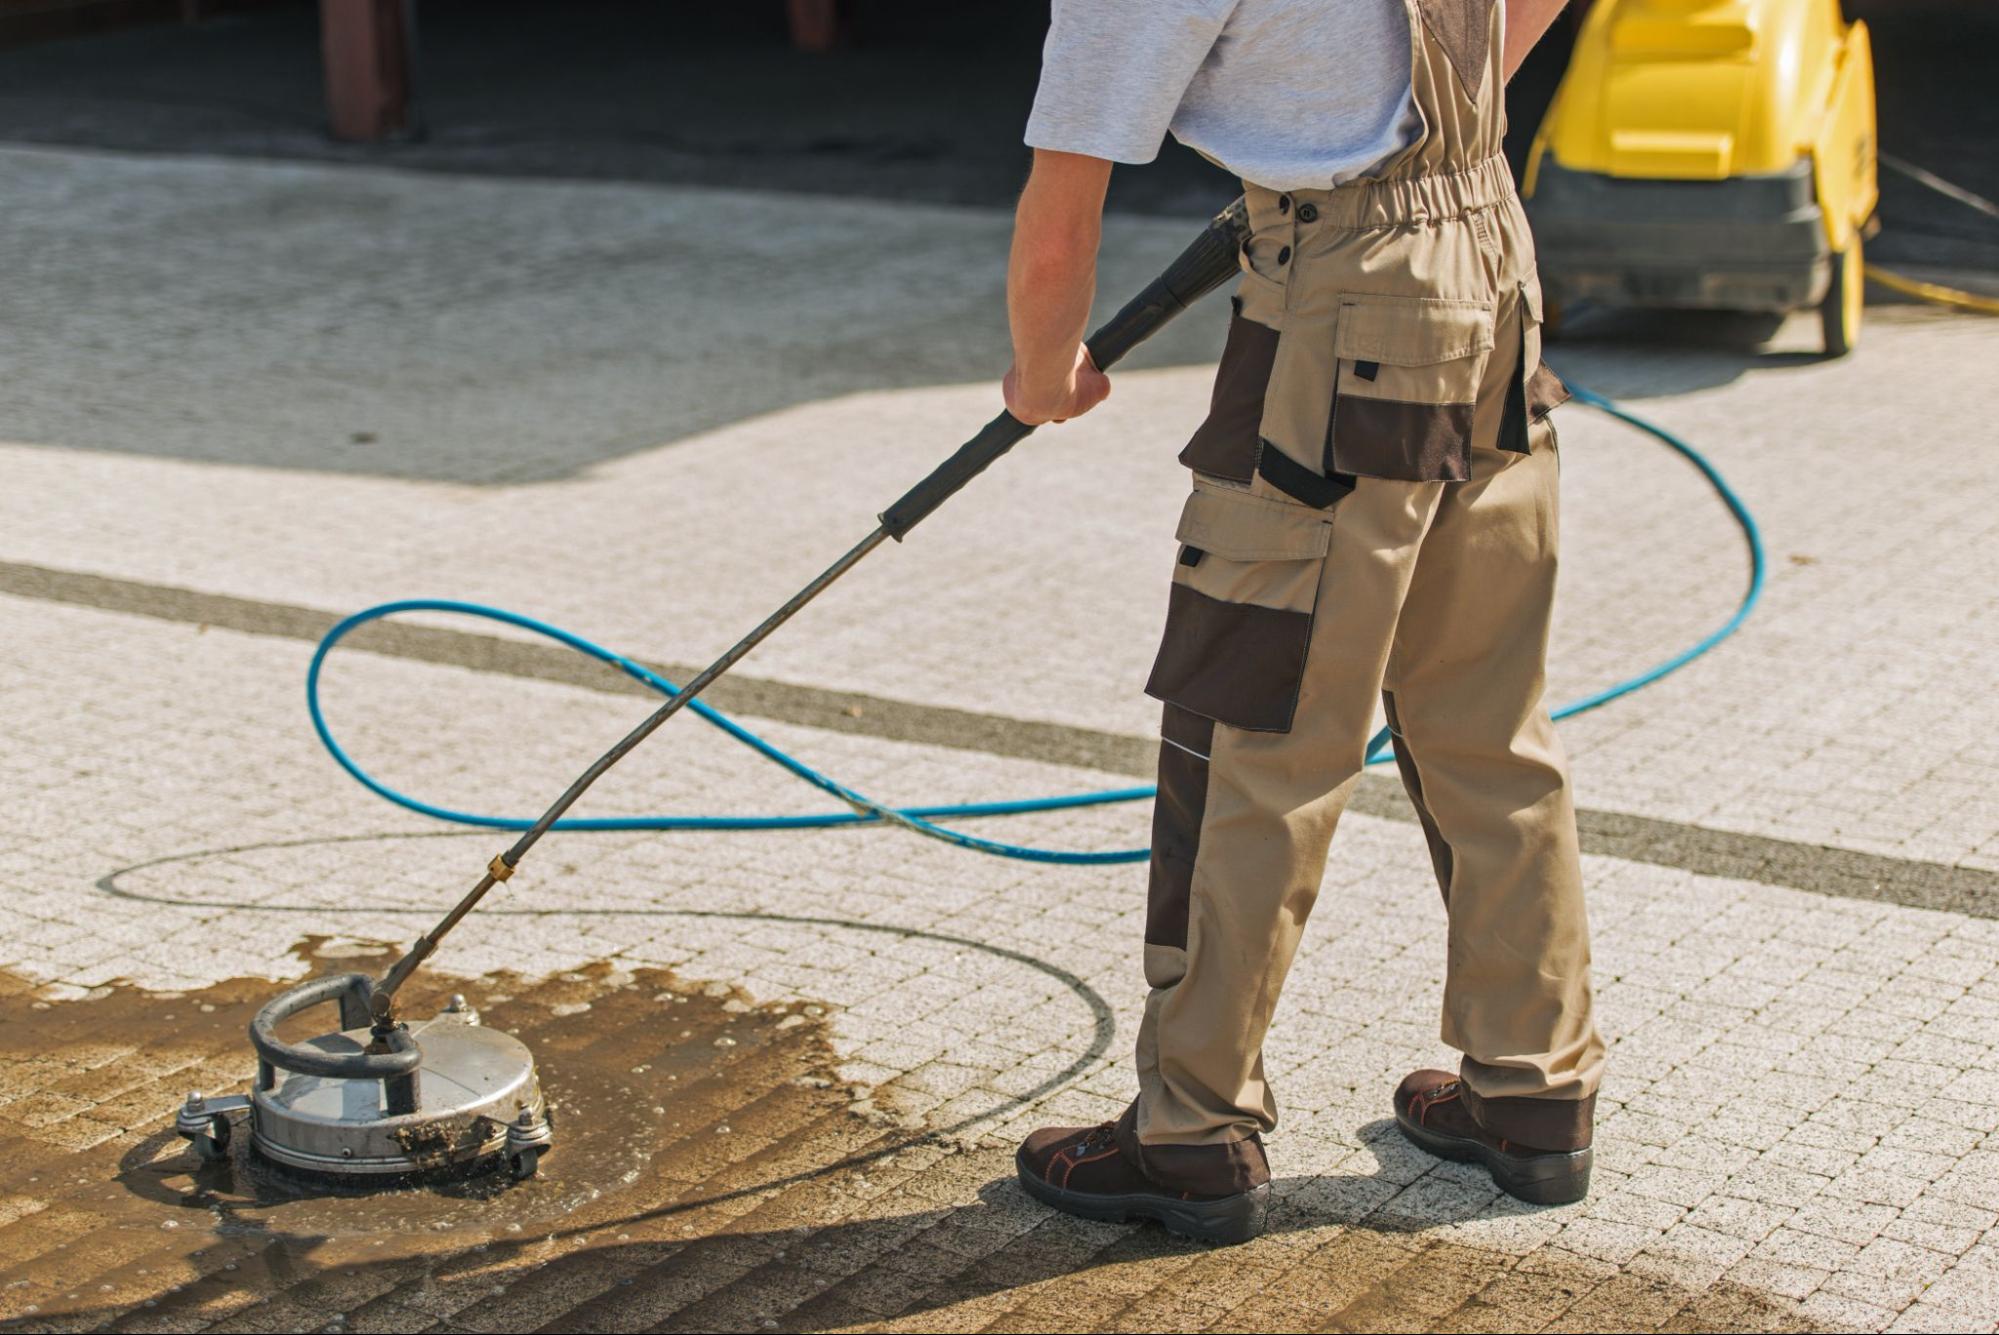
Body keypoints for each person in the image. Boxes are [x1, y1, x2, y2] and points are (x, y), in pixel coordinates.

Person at [1006, 0, 1606, 1245]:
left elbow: (1063, 208)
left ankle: (1189, 1131)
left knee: (1258, 728)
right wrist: (1415, 133)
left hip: (1337, 310)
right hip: (1488, 246)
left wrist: (1042, 368)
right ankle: (1533, 1095)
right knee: (1487, 718)